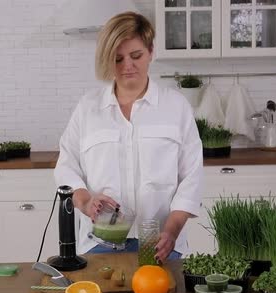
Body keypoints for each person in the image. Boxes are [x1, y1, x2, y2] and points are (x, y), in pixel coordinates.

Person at [54, 11, 202, 263]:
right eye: (118, 59)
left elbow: (192, 177)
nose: (127, 66)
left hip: (162, 243)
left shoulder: (176, 107)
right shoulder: (88, 108)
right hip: (99, 243)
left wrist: (172, 230)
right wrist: (86, 201)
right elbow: (66, 166)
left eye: (136, 56)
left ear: (151, 51)